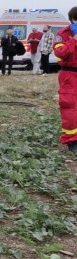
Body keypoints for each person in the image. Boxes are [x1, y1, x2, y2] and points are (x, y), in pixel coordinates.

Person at [54, 9, 77, 153]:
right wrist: (73, 40)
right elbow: (60, 53)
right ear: (72, 19)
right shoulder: (63, 34)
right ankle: (72, 140)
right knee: (70, 106)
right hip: (70, 75)